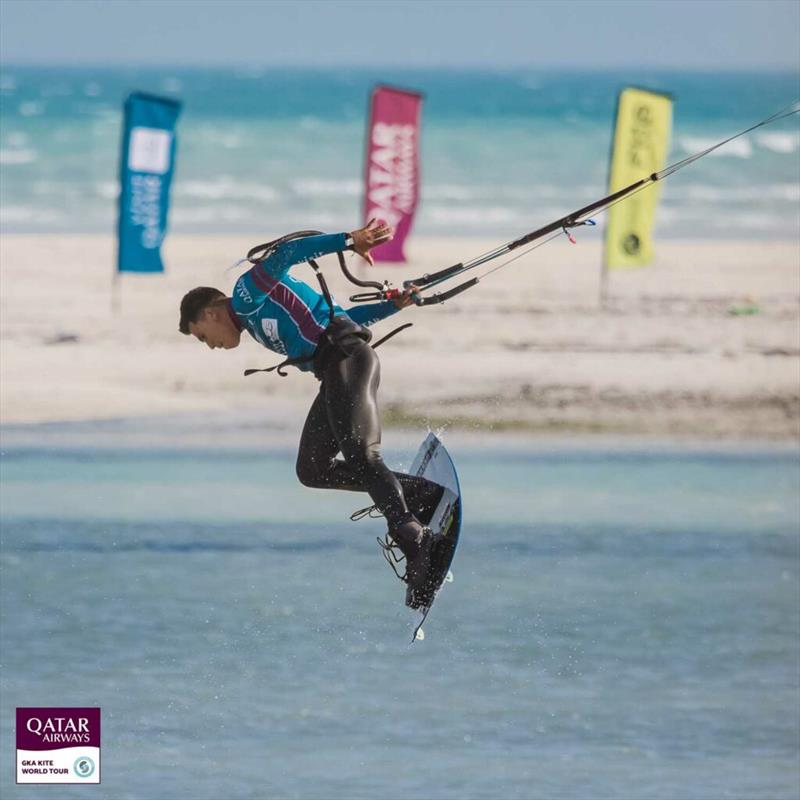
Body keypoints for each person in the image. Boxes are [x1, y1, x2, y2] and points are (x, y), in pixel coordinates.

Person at [178, 219, 442, 606]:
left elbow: (286, 255)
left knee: (362, 454)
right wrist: (393, 304)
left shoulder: (246, 296)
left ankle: (413, 536)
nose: (210, 345)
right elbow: (344, 317)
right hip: (335, 369)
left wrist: (349, 240)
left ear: (209, 313)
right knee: (312, 469)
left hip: (347, 358)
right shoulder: (255, 322)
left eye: (202, 336)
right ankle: (419, 494)